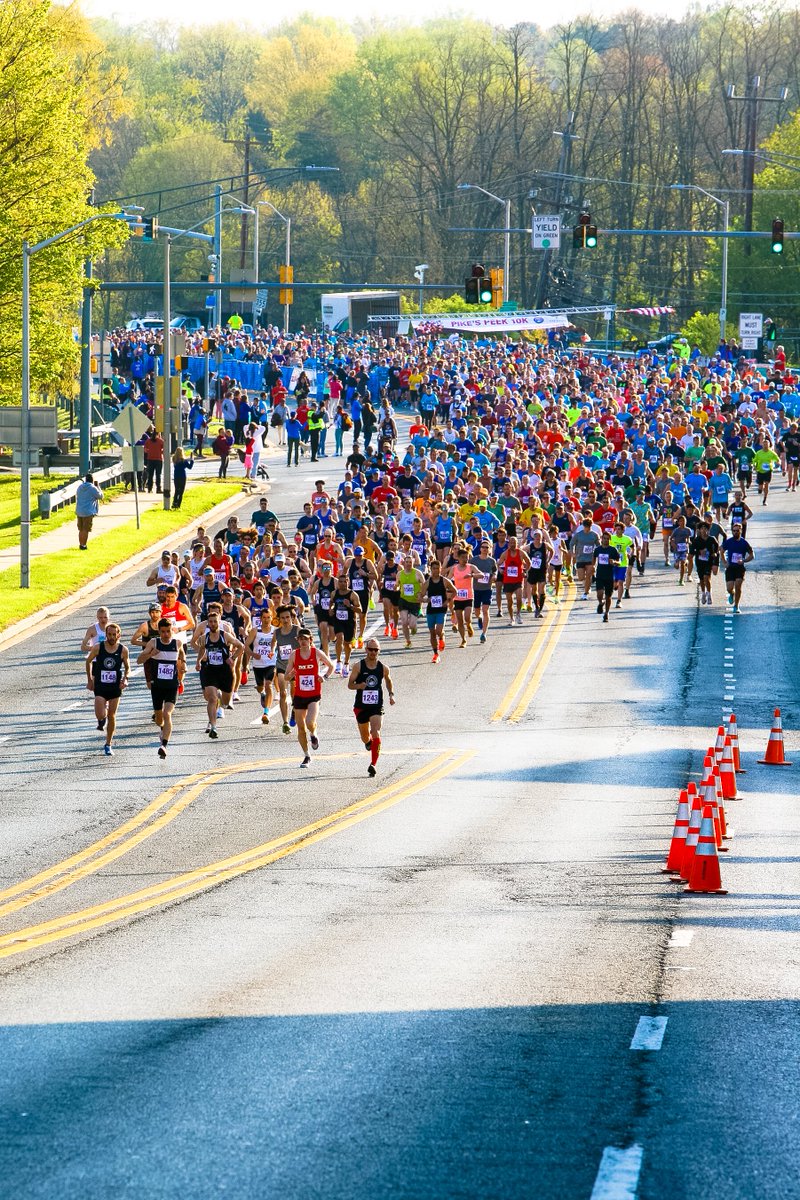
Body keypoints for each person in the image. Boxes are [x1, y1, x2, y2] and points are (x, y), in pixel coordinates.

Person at [137, 617, 186, 758]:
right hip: (157, 686)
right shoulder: (154, 642)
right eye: (163, 631)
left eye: (168, 631)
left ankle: (164, 745)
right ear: (159, 631)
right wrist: (150, 654)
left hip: (171, 685)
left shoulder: (177, 643)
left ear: (172, 630)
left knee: (167, 713)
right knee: (159, 719)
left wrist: (183, 664)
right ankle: (163, 728)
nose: (166, 634)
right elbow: (139, 660)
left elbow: (182, 655)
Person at [285, 628, 335, 767]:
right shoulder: (294, 655)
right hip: (300, 695)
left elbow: (331, 665)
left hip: (314, 694)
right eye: (301, 639)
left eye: (306, 639)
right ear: (298, 641)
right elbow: (286, 676)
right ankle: (307, 756)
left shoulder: (316, 653)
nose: (303, 641)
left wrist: (324, 677)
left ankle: (313, 734)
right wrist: (292, 674)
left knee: (309, 722)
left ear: (310, 640)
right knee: (300, 728)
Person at [348, 639, 396, 776]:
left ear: (379, 651)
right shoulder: (358, 666)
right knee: (365, 737)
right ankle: (368, 742)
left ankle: (373, 764)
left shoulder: (383, 668)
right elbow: (350, 684)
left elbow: (388, 680)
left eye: (376, 650)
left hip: (376, 706)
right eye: (371, 649)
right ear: (366, 649)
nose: (373, 652)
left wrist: (391, 694)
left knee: (376, 732)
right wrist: (359, 686)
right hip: (361, 707)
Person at [195, 606, 243, 738]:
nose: (212, 624)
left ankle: (223, 699)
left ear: (219, 622)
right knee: (211, 698)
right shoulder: (204, 637)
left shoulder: (225, 635)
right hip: (210, 670)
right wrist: (199, 661)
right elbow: (202, 649)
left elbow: (241, 646)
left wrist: (232, 658)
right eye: (210, 622)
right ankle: (213, 726)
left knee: (226, 703)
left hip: (224, 671)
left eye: (215, 622)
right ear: (207, 623)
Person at [85, 622, 129, 756]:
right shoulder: (98, 648)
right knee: (100, 713)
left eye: (113, 634)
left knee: (112, 715)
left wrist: (125, 678)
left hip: (115, 687)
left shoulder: (123, 650)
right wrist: (90, 680)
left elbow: (127, 667)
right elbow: (88, 662)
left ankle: (108, 744)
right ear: (105, 634)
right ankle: (100, 720)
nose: (111, 637)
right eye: (109, 634)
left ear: (118, 635)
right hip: (100, 685)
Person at [419, 558, 456, 663]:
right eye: (434, 568)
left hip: (441, 609)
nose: (436, 570)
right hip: (431, 610)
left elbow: (455, 591)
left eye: (437, 568)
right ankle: (435, 654)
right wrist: (426, 600)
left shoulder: (445, 581)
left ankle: (442, 636)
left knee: (438, 631)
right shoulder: (427, 583)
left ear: (440, 569)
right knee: (432, 633)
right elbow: (420, 597)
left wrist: (448, 601)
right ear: (431, 569)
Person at [721, 521, 754, 613]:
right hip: (730, 567)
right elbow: (722, 551)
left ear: (741, 531)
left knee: (738, 585)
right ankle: (732, 594)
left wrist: (744, 561)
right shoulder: (729, 542)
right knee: (729, 588)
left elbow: (752, 555)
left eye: (737, 531)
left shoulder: (744, 542)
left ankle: (736, 606)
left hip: (740, 568)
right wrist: (724, 562)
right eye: (734, 531)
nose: (735, 532)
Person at [593, 531, 621, 623]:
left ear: (610, 540)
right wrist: (592, 571)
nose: (605, 540)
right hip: (600, 575)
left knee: (608, 596)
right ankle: (601, 603)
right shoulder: (597, 550)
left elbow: (619, 562)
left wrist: (614, 562)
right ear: (601, 539)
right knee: (599, 593)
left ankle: (607, 613)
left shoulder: (613, 550)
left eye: (607, 539)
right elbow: (593, 561)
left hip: (609, 575)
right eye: (604, 538)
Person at [75, 473, 103, 550]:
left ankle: (81, 544)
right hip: (88, 511)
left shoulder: (80, 487)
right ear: (92, 480)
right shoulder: (92, 488)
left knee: (80, 529)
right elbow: (100, 496)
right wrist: (98, 486)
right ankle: (84, 545)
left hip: (79, 510)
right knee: (86, 529)